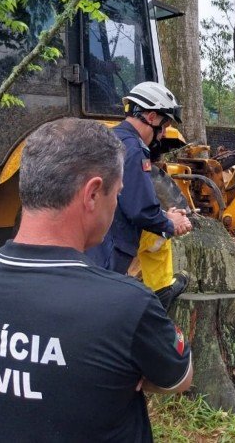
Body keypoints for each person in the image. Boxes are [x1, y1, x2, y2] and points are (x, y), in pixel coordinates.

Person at [0, 118, 192, 442]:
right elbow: (180, 378)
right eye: (116, 194)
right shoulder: (125, 306)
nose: (117, 204)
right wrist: (123, 371)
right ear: (92, 195)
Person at [86, 82, 193, 309]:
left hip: (90, 240)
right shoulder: (133, 150)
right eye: (164, 127)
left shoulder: (105, 138)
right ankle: (162, 290)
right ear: (152, 117)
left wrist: (164, 216)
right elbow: (141, 209)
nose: (163, 135)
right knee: (160, 234)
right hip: (108, 252)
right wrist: (171, 223)